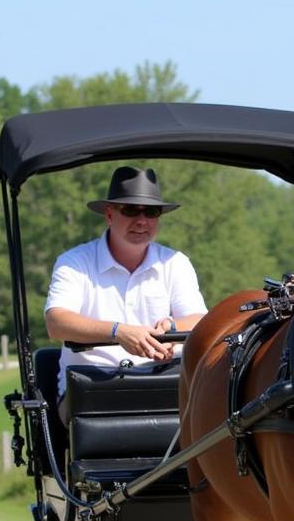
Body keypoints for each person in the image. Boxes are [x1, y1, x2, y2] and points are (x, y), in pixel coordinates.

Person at [45, 166, 207, 423]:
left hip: (164, 384)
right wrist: (119, 333)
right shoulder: (74, 262)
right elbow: (56, 323)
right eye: (131, 210)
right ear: (109, 215)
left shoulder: (176, 263)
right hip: (92, 386)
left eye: (151, 212)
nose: (142, 220)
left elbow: (199, 320)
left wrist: (172, 329)